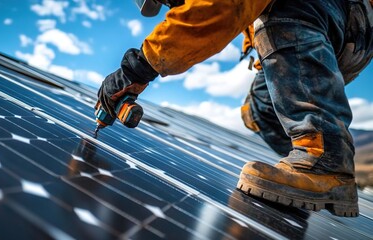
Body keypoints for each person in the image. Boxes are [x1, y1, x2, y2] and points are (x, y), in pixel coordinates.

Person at [97, 0, 373, 217]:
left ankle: (325, 162)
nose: (178, 6)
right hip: (336, 27)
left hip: (345, 15)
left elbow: (223, 8)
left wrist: (137, 68)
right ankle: (304, 169)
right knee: (259, 111)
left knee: (277, 11)